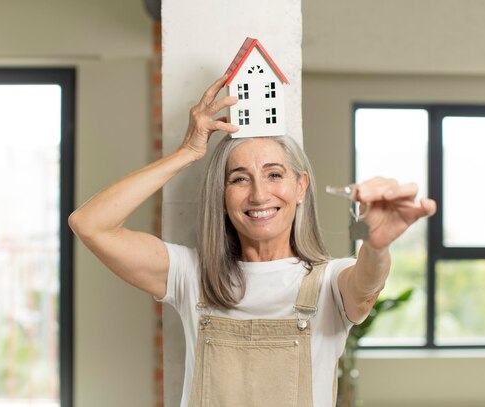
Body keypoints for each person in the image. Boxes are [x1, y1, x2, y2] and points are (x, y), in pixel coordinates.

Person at [69, 74, 437, 407]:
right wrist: (188, 153)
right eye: (240, 179)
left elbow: (367, 282)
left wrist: (376, 245)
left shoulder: (329, 283)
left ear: (300, 187)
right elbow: (89, 224)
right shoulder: (190, 275)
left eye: (274, 174)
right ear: (222, 193)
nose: (259, 195)